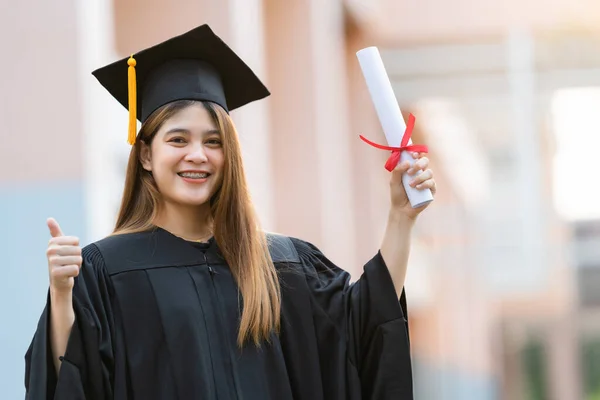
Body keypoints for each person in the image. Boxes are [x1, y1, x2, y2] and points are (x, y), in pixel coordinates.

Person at [24, 24, 436, 400]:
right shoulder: (108, 269)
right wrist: (62, 296)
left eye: (214, 141)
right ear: (147, 154)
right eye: (178, 139)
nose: (198, 155)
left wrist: (401, 217)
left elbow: (363, 332)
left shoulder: (285, 265)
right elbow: (72, 379)